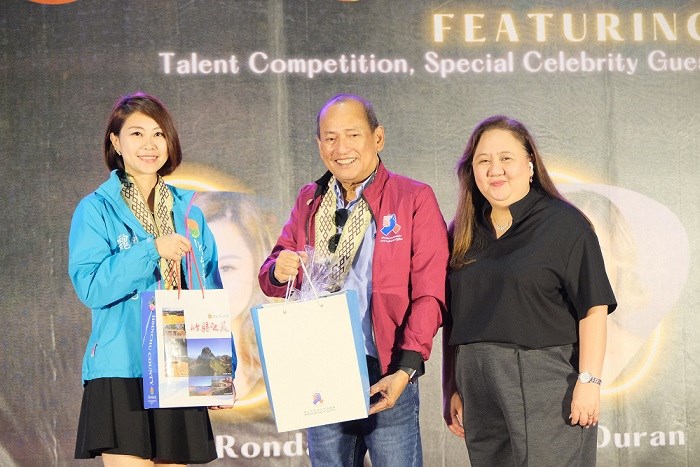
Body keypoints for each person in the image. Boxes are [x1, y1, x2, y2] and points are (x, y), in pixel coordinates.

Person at [258, 94, 449, 466]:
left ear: (378, 138)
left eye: (352, 135)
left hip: (388, 366)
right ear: (318, 145)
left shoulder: (413, 198)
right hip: (322, 364)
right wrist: (279, 270)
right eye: (330, 138)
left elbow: (431, 292)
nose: (341, 148)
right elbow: (272, 272)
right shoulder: (310, 200)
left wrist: (407, 367)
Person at [442, 115, 617, 466]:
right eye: (484, 160)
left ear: (530, 164)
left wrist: (590, 381)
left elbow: (593, 308)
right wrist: (452, 386)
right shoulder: (461, 230)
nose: (495, 169)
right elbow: (454, 318)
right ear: (472, 171)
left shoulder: (565, 224)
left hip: (545, 381)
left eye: (506, 158)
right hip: (478, 381)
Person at [69, 91, 228, 466]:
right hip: (121, 368)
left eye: (158, 134)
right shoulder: (95, 209)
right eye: (137, 134)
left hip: (183, 363)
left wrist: (220, 369)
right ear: (115, 142)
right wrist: (151, 249)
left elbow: (210, 290)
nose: (150, 145)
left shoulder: (189, 212)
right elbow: (91, 287)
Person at [196, 191, 276, 407]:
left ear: (256, 267)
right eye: (202, 267)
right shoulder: (172, 360)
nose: (214, 282)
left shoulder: (279, 355)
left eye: (227, 267)